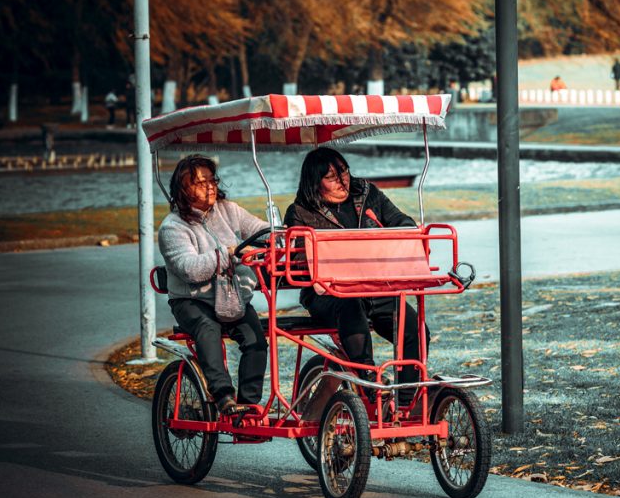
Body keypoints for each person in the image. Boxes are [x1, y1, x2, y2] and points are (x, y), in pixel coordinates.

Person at [283, 147, 430, 412]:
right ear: (314, 183)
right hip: (328, 294)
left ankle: (407, 400)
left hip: (376, 287)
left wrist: (406, 232)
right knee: (350, 309)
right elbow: (299, 262)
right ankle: (371, 389)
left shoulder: (367, 193)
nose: (343, 181)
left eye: (344, 171)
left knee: (414, 329)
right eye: (332, 177)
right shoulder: (300, 212)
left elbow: (400, 220)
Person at [157, 155, 270, 417]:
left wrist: (277, 236)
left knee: (256, 341)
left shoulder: (228, 210)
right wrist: (229, 252)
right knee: (207, 329)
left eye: (212, 180)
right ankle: (224, 397)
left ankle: (249, 406)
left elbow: (258, 229)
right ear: (183, 189)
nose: (210, 187)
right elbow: (190, 269)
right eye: (200, 183)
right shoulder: (172, 227)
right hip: (191, 300)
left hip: (233, 297)